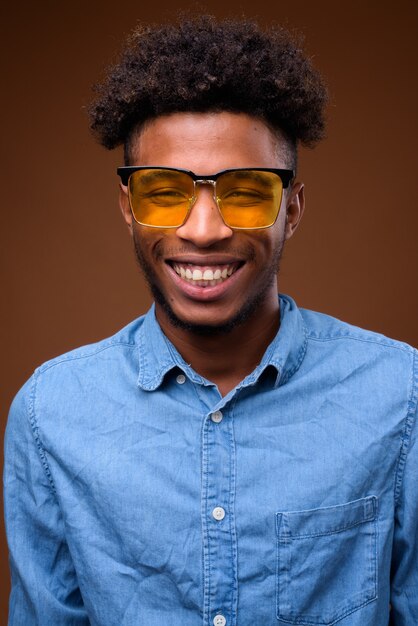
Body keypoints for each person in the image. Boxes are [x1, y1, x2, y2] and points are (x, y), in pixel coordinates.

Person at [4, 15, 417, 626]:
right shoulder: (49, 416)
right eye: (162, 191)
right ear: (127, 207)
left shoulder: (401, 395)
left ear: (292, 208)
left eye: (247, 191)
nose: (203, 231)